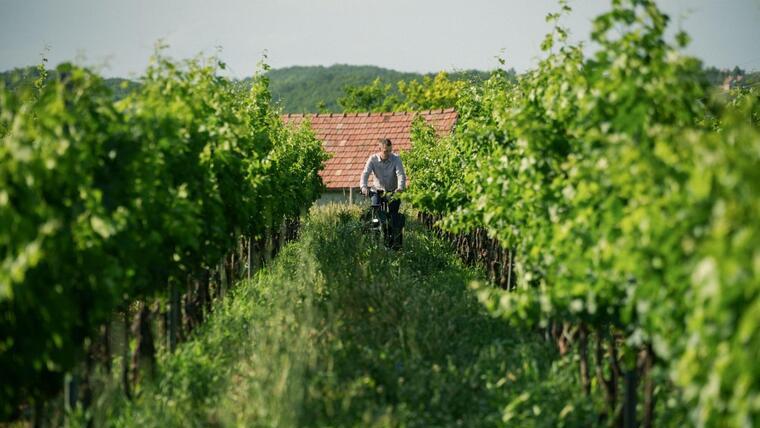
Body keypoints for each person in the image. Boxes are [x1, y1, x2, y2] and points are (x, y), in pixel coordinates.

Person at [360, 138, 406, 218]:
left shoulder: (396, 159)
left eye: (390, 151)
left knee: (394, 214)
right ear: (379, 149)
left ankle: (393, 228)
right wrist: (363, 187)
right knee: (375, 209)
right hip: (377, 191)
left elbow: (400, 174)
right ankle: (375, 227)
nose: (388, 153)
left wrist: (400, 188)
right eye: (385, 151)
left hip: (392, 191)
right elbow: (365, 173)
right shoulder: (372, 159)